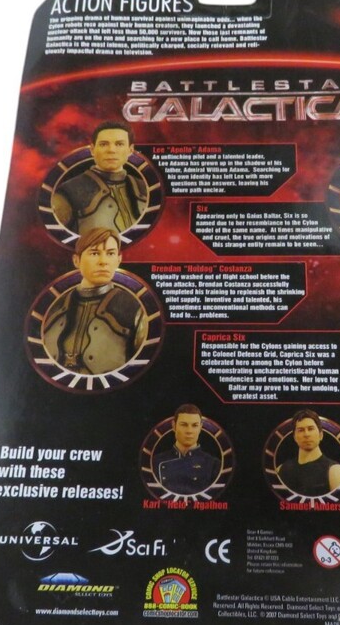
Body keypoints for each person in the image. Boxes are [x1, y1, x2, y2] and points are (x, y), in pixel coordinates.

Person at [42, 228, 146, 374]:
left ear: (118, 260)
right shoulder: (54, 308)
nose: (103, 261)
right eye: (94, 253)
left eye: (110, 253)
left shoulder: (134, 308)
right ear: (76, 260)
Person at [51, 121, 148, 235]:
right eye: (103, 144)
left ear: (130, 150)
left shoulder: (144, 188)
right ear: (92, 149)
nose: (111, 150)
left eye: (119, 144)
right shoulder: (68, 192)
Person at [153, 404, 221, 495]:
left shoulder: (214, 465)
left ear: (200, 427)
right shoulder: (155, 462)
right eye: (184, 425)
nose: (189, 431)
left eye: (195, 425)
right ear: (174, 426)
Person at [276, 410, 340, 496]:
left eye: (310, 429)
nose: (306, 434)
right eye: (301, 430)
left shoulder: (335, 471)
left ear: (321, 435)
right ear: (294, 437)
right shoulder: (281, 469)